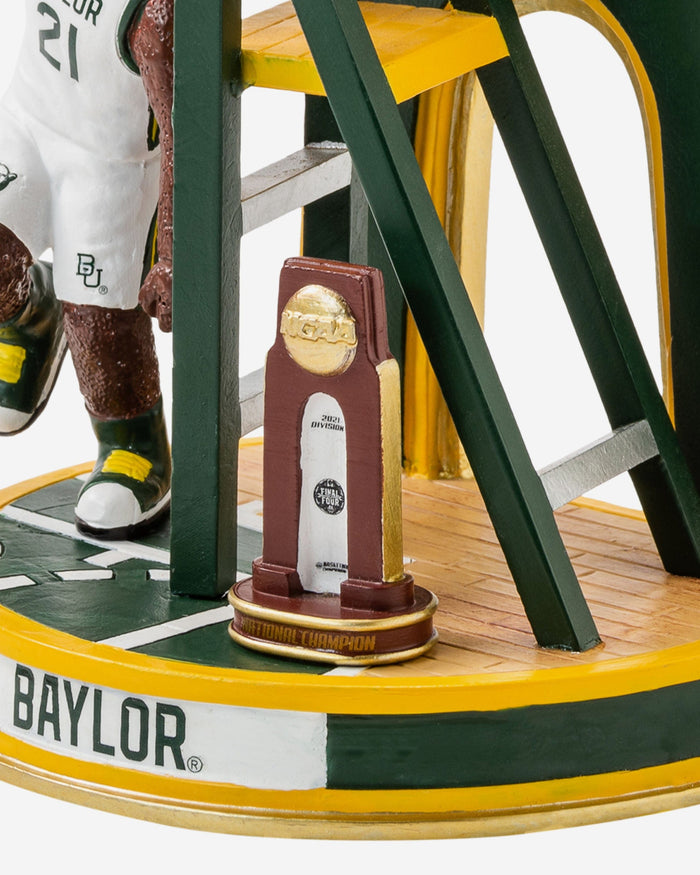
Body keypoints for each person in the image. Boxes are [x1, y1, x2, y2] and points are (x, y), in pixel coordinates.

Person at [0, 0, 174, 539]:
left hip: (108, 166)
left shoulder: (159, 16)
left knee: (101, 325)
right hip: (28, 119)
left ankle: (132, 441)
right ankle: (31, 312)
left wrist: (171, 247)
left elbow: (185, 136)